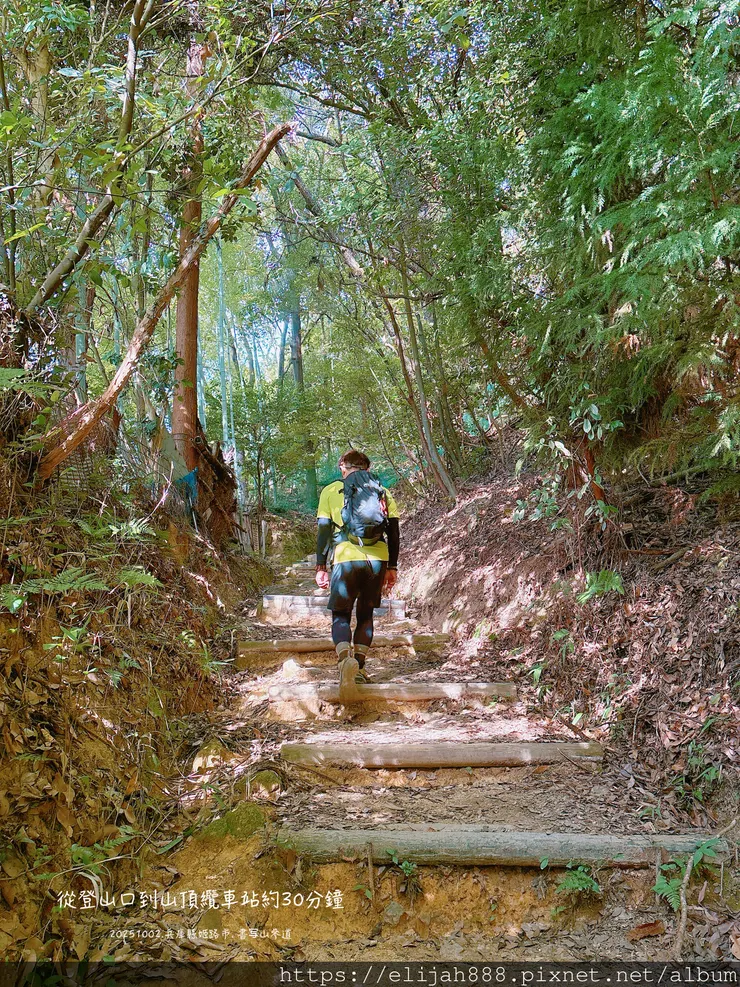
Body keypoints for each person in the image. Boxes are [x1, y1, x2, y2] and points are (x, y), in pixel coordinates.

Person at [315, 450, 400, 694]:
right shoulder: (382, 491)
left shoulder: (330, 491)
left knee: (340, 614)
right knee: (365, 615)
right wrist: (392, 567)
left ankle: (345, 661)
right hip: (378, 559)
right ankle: (360, 668)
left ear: (343, 466)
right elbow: (393, 533)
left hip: (345, 557)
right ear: (366, 468)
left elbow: (323, 530)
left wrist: (321, 566)